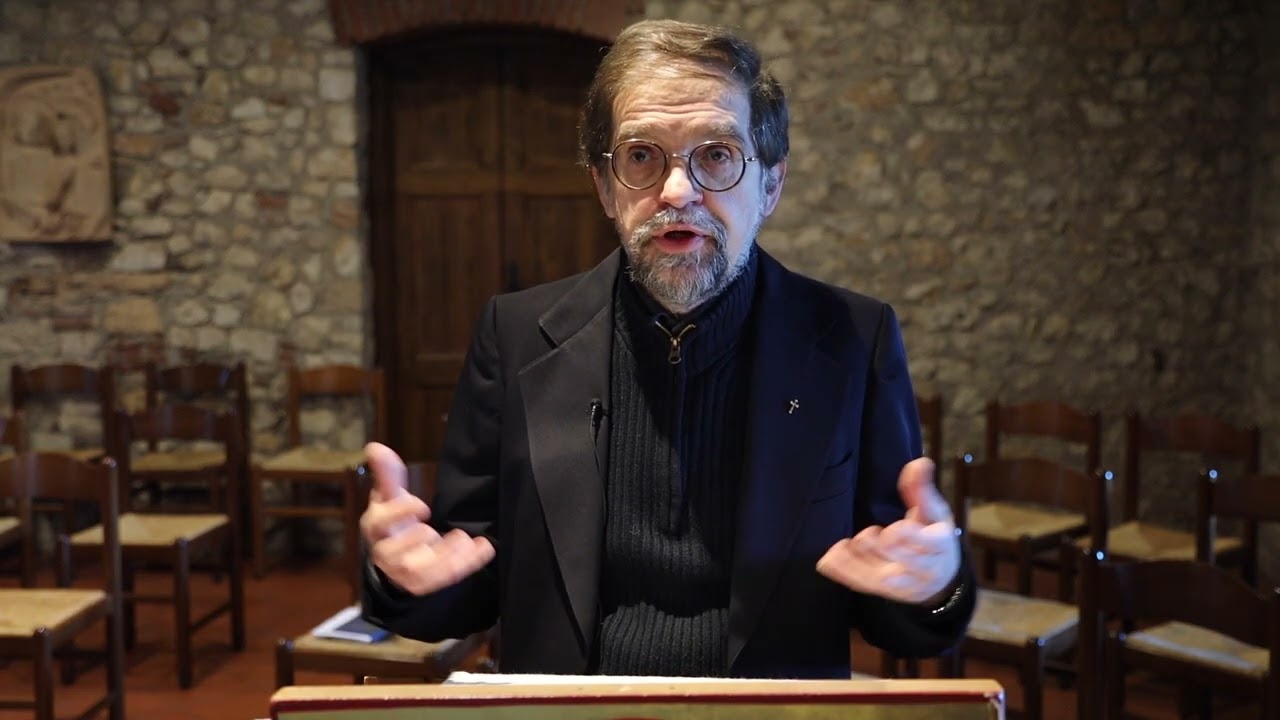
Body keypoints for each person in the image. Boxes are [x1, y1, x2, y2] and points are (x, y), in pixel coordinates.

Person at [359, 18, 975, 679]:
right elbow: (467, 583)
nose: (678, 191)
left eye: (717, 155)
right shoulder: (515, 336)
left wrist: (933, 587)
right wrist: (404, 579)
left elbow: (897, 608)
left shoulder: (853, 338)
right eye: (641, 156)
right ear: (605, 187)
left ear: (770, 185)